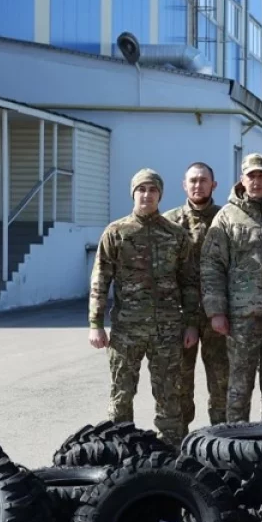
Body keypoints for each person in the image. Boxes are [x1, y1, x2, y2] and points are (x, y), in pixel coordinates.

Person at [88, 169, 198, 445]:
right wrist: (95, 324)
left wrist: (191, 324)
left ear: (160, 194)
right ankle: (121, 448)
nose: (146, 195)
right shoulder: (116, 232)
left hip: (167, 330)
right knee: (122, 393)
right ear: (133, 193)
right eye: (141, 189)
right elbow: (100, 279)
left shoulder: (175, 234)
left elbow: (189, 282)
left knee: (169, 395)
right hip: (127, 329)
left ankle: (171, 450)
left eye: (152, 190)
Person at [201, 153, 262, 422]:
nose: (256, 181)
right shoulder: (227, 216)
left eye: (261, 176)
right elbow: (212, 266)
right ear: (242, 180)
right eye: (251, 176)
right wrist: (216, 312)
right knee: (239, 387)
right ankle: (237, 440)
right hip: (241, 319)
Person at [164, 161, 228, 426]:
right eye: (193, 180)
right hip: (180, 315)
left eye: (203, 180)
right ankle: (179, 438)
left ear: (214, 185)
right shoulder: (169, 222)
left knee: (222, 382)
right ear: (184, 185)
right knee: (178, 382)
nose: (198, 185)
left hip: (219, 314)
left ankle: (222, 436)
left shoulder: (226, 218)